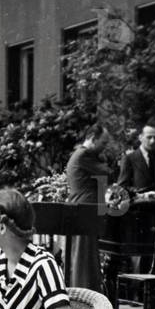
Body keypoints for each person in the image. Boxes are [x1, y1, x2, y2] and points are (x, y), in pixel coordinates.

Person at [65, 123, 111, 292]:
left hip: (85, 207)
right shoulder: (84, 155)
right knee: (83, 256)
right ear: (92, 139)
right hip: (85, 208)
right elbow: (107, 172)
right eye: (103, 143)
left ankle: (86, 292)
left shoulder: (82, 154)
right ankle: (84, 293)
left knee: (85, 255)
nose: (104, 148)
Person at [118, 124, 155, 193]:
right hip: (139, 202)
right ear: (140, 137)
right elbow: (122, 187)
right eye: (149, 137)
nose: (152, 141)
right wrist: (141, 192)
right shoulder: (129, 158)